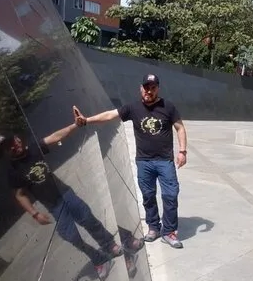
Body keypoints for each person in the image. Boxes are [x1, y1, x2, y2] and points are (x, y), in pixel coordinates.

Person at [0, 117, 143, 279]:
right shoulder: (13, 171)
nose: (14, 146)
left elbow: (56, 136)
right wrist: (35, 214)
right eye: (9, 147)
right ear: (6, 152)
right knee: (71, 236)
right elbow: (20, 195)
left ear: (17, 139)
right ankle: (99, 259)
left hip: (65, 194)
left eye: (13, 141)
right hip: (54, 206)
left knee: (89, 220)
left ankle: (112, 245)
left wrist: (75, 125)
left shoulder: (34, 149)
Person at [74, 74, 187, 249]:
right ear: (141, 88)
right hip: (144, 162)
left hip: (165, 161)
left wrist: (182, 151)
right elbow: (109, 115)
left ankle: (169, 232)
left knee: (170, 195)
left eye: (153, 88)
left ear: (158, 88)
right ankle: (154, 228)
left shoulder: (168, 107)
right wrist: (87, 120)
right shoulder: (133, 108)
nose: (149, 91)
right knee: (148, 196)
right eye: (146, 87)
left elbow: (180, 128)